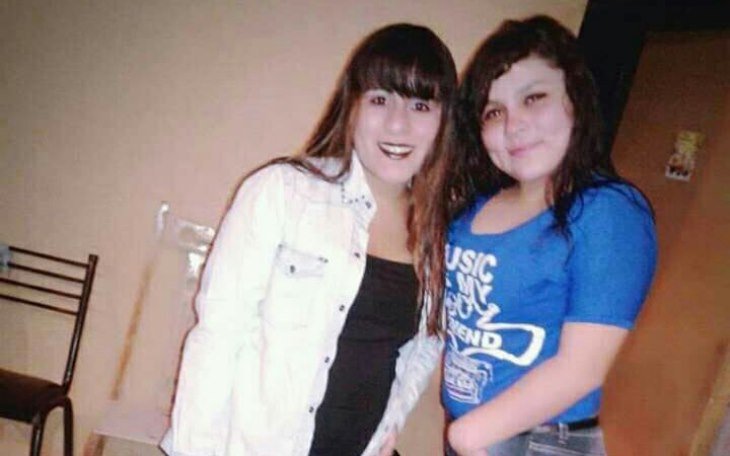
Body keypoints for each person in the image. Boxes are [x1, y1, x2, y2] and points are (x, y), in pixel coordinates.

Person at [160, 23, 457, 456]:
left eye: (420, 104)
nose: (398, 123)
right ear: (351, 107)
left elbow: (423, 347)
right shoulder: (282, 192)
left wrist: (391, 420)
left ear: (444, 120)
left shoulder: (442, 236)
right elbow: (217, 336)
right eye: (379, 99)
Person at [420, 15, 658, 455]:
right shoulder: (472, 209)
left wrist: (468, 435)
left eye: (534, 98)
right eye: (494, 111)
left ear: (576, 100)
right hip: (474, 434)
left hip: (540, 442)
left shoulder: (608, 211)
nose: (514, 125)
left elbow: (581, 368)